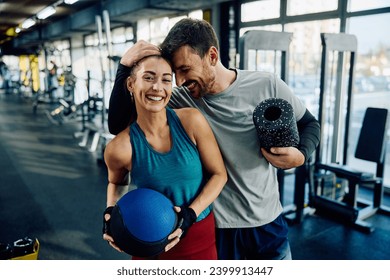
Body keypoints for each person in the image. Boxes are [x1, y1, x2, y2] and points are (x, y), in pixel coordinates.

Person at [108, 18, 320, 260]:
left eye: (185, 70)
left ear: (211, 55)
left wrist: (301, 154)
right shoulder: (180, 99)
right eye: (174, 73)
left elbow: (310, 124)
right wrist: (124, 67)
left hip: (266, 223)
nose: (179, 81)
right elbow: (118, 125)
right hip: (218, 230)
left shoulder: (266, 84)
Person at [102, 54, 227, 260]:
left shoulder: (191, 121)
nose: (157, 88)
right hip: (146, 240)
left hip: (198, 235)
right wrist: (110, 210)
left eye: (166, 79)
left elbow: (219, 174)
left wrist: (190, 214)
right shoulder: (119, 148)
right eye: (149, 78)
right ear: (131, 84)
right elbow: (116, 182)